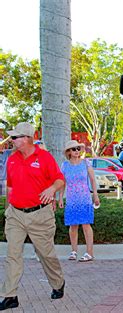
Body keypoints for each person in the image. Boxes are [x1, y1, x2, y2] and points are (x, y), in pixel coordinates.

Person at [0, 122, 66, 310]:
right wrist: (7, 210)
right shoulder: (12, 159)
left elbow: (60, 179)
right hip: (15, 215)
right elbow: (10, 188)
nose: (12, 140)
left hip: (40, 215)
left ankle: (58, 282)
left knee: (46, 255)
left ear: (27, 138)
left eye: (15, 137)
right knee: (12, 255)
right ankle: (10, 295)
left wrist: (52, 188)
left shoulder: (44, 158)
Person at [58, 140, 99, 262]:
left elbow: (92, 180)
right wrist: (60, 197)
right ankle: (74, 251)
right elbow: (62, 183)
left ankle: (89, 253)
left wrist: (95, 195)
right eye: (74, 149)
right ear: (69, 152)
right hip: (71, 200)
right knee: (73, 226)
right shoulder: (64, 165)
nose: (77, 151)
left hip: (85, 199)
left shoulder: (86, 163)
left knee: (86, 225)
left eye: (78, 149)